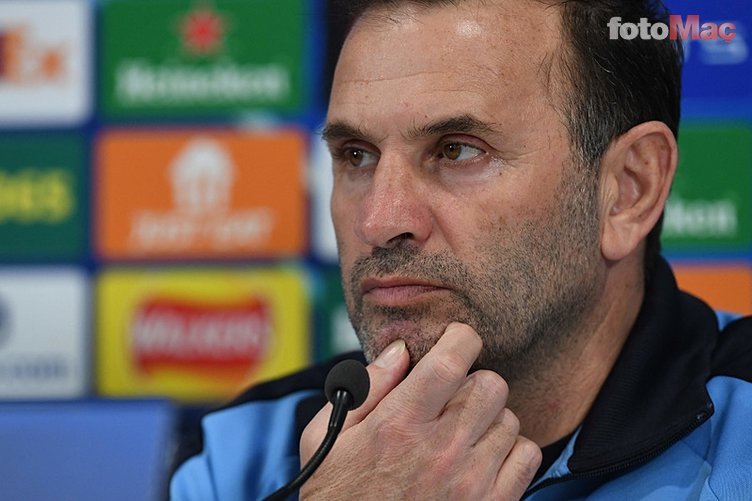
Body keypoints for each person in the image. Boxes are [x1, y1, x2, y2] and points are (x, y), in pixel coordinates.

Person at [170, 0, 752, 499]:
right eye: (356, 156)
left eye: (457, 150)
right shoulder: (241, 453)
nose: (380, 220)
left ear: (628, 189)